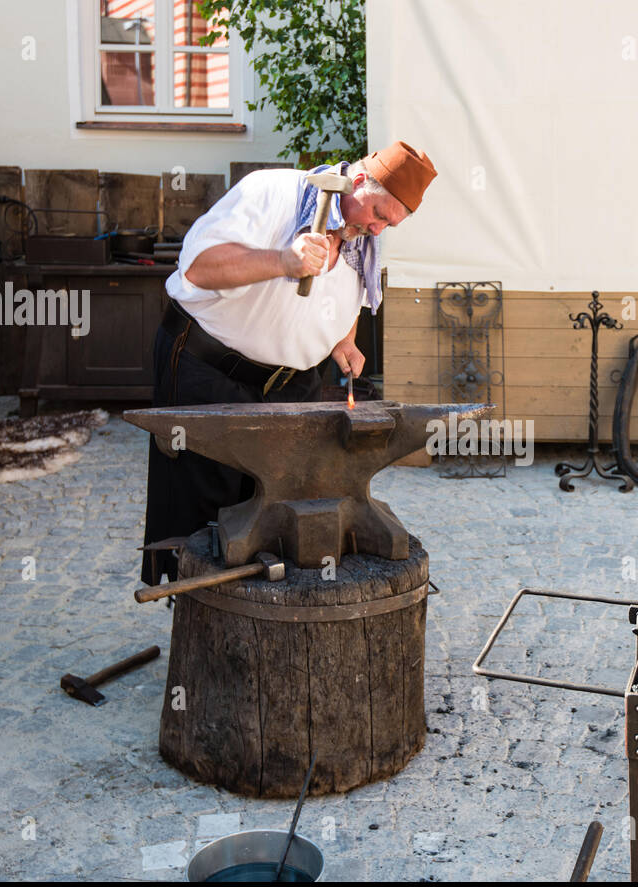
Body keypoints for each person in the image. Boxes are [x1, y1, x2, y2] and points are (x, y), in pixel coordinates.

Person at [141, 141, 437, 583]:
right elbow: (198, 269)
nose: (377, 229)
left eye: (388, 224)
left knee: (275, 508)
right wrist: (283, 260)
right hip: (211, 370)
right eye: (377, 213)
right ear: (357, 181)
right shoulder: (271, 193)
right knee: (200, 511)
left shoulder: (361, 239)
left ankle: (264, 616)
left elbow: (345, 297)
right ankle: (198, 613)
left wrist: (343, 340)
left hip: (290, 388)